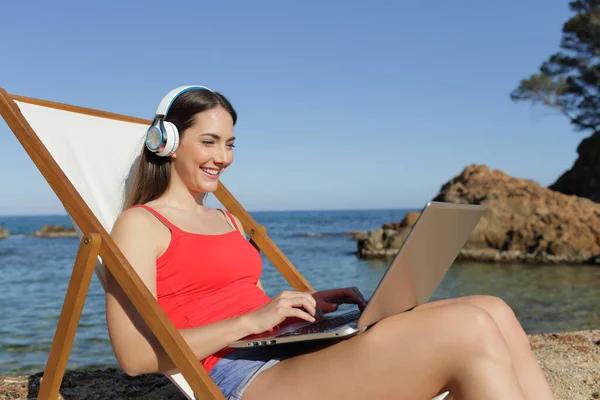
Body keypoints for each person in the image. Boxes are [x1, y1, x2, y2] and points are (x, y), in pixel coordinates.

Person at [106, 86, 556, 400]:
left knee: (494, 308)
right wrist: (252, 319)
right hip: (244, 377)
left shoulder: (223, 217)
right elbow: (135, 357)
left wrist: (305, 308)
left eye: (230, 143)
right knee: (467, 330)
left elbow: (235, 296)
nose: (223, 157)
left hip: (285, 348)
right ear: (166, 143)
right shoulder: (140, 225)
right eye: (209, 141)